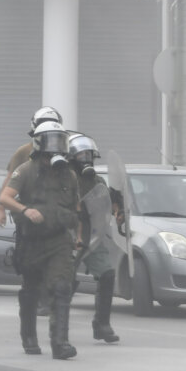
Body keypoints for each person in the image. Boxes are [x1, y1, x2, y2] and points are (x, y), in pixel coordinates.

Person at [0, 119, 83, 359]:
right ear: (39, 144)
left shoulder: (69, 175)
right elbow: (5, 197)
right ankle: (29, 337)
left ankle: (60, 343)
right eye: (51, 141)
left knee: (62, 287)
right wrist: (25, 210)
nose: (56, 147)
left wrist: (79, 235)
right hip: (32, 240)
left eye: (60, 141)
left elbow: (76, 208)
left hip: (59, 240)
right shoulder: (25, 170)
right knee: (31, 290)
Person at [69, 132, 120, 343]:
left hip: (92, 234)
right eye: (81, 155)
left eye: (89, 155)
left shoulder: (97, 181)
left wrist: (116, 204)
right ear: (72, 158)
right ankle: (58, 327)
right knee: (64, 280)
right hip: (69, 235)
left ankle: (102, 324)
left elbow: (103, 204)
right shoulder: (63, 179)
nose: (86, 159)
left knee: (107, 274)